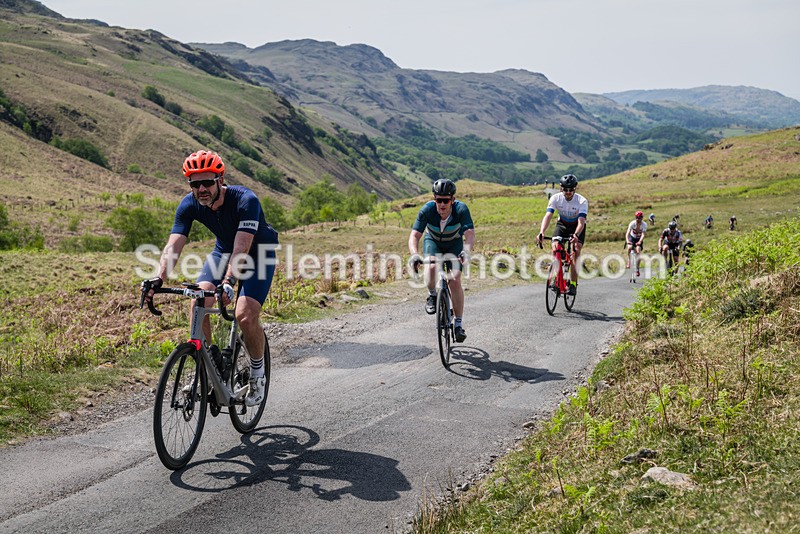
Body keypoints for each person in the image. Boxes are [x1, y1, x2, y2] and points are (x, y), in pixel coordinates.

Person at [144, 150, 279, 407]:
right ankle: (210, 362)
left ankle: (258, 373)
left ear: (221, 179)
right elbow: (173, 245)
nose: (201, 189)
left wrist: (228, 281)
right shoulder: (189, 204)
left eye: (207, 182)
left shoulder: (246, 200)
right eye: (195, 184)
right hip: (223, 252)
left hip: (258, 253)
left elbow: (242, 249)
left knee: (245, 315)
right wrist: (158, 278)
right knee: (198, 301)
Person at [409, 179, 475, 343]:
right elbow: (415, 235)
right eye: (439, 200)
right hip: (433, 242)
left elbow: (470, 234)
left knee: (454, 279)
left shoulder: (461, 209)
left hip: (454, 244)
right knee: (431, 268)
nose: (442, 204)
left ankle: (458, 324)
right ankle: (432, 295)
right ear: (434, 200)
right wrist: (414, 254)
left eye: (446, 200)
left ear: (452, 200)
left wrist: (466, 251)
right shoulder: (427, 210)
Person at [535, 174, 588, 295]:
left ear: (575, 189)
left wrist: (575, 235)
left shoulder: (582, 201)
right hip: (562, 225)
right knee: (555, 247)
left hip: (577, 226)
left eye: (571, 190)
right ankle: (556, 277)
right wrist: (542, 232)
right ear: (561, 189)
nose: (568, 192)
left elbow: (581, 221)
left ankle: (573, 283)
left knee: (576, 250)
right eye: (565, 189)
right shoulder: (555, 198)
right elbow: (548, 215)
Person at [625, 211, 647, 275]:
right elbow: (627, 233)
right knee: (629, 248)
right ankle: (629, 261)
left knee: (638, 251)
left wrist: (640, 241)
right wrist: (627, 241)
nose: (638, 219)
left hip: (639, 239)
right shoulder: (632, 223)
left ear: (642, 218)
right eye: (637, 218)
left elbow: (643, 234)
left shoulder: (644, 224)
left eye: (639, 218)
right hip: (632, 237)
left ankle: (637, 269)